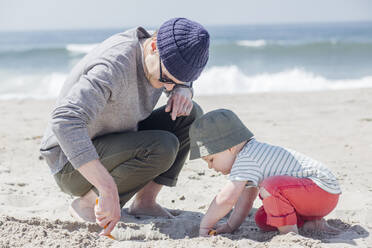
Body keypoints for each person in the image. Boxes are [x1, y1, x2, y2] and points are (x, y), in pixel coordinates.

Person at [40, 17, 209, 236]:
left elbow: (177, 74)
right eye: (166, 78)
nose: (168, 86)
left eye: (175, 82)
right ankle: (88, 203)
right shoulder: (113, 66)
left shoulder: (163, 54)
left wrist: (183, 89)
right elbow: (64, 121)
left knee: (189, 113)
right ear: (154, 46)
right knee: (163, 146)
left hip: (116, 138)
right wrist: (107, 187)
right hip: (70, 164)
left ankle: (145, 202)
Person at [189, 109, 342, 237]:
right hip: (314, 197)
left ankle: (289, 235)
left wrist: (204, 226)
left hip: (321, 189)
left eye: (211, 159)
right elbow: (245, 201)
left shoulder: (246, 158)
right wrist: (230, 226)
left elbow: (226, 199)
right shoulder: (249, 158)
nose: (210, 167)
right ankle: (312, 224)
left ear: (230, 147)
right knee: (263, 219)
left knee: (270, 187)